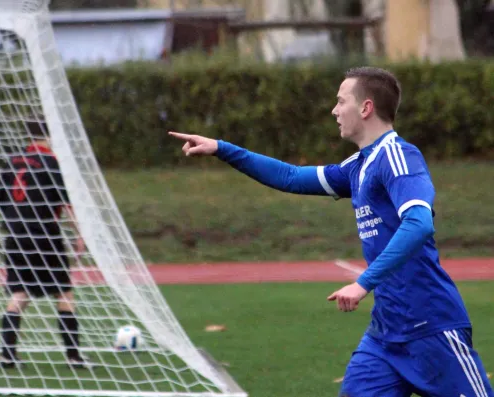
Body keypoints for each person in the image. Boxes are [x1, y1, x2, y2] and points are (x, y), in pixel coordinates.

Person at [168, 67, 493, 397]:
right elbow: (292, 178)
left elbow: (419, 223)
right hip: (386, 336)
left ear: (365, 108)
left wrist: (363, 283)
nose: (334, 110)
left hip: (431, 328)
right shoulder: (358, 165)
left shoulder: (398, 157)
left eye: (341, 102)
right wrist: (222, 148)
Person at [0, 120, 89, 369]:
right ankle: (73, 356)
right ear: (50, 136)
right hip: (45, 235)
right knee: (64, 293)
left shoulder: (12, 161)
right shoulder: (53, 163)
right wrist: (80, 235)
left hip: (15, 236)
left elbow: (1, 200)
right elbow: (66, 203)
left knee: (19, 293)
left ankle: (7, 352)